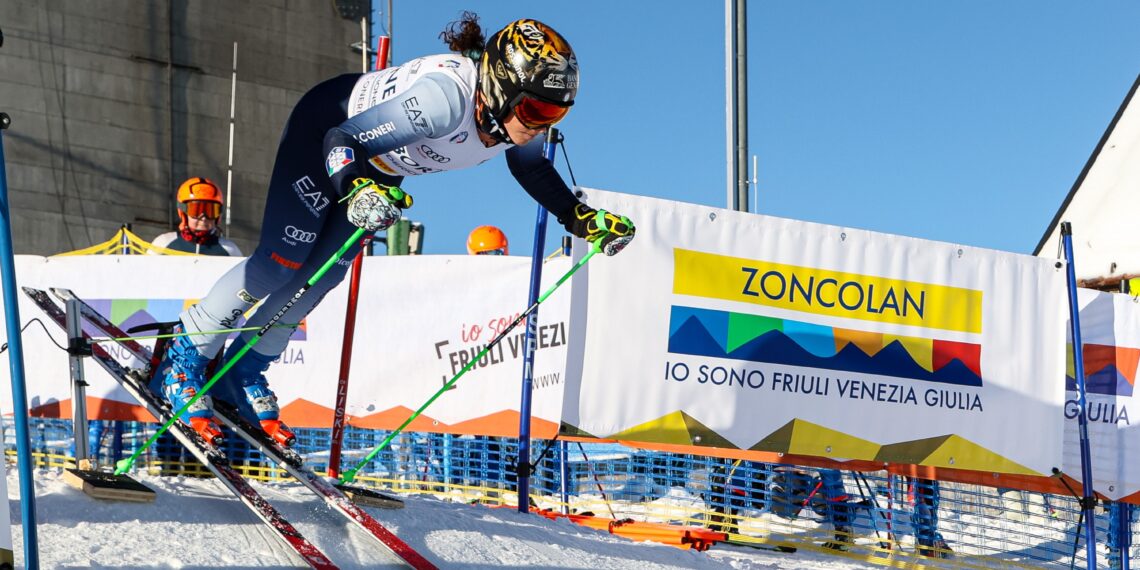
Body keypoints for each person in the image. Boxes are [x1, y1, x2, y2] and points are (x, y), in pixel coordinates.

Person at [157, 13, 636, 446]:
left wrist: (580, 218)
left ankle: (245, 369)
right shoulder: (444, 101)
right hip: (326, 133)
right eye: (536, 111)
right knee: (279, 264)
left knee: (321, 277)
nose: (539, 126)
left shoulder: (511, 122)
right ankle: (183, 360)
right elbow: (340, 138)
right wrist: (355, 187)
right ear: (499, 88)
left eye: (555, 114)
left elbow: (531, 171)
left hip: (377, 168)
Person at [151, 177, 243, 256]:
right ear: (183, 213)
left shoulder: (230, 251)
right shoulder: (163, 244)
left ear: (218, 215)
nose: (203, 218)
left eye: (210, 211)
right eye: (196, 210)